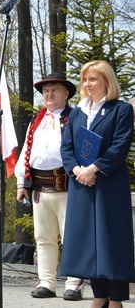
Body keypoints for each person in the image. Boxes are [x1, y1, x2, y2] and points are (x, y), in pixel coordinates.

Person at [59, 60, 135, 308]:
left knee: (110, 239)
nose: (87, 84)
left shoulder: (121, 110)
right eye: (85, 80)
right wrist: (78, 170)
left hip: (108, 184)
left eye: (93, 79)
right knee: (87, 243)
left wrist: (94, 168)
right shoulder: (78, 112)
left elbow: (120, 146)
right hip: (82, 184)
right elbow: (67, 146)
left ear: (106, 81)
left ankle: (115, 299)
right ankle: (99, 295)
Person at [14, 73, 84, 300]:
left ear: (66, 94)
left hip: (68, 186)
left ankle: (74, 284)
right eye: (46, 91)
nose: (49, 95)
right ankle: (46, 282)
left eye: (55, 90)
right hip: (40, 189)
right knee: (43, 238)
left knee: (71, 237)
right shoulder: (37, 121)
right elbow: (27, 151)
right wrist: (21, 183)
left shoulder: (75, 118)